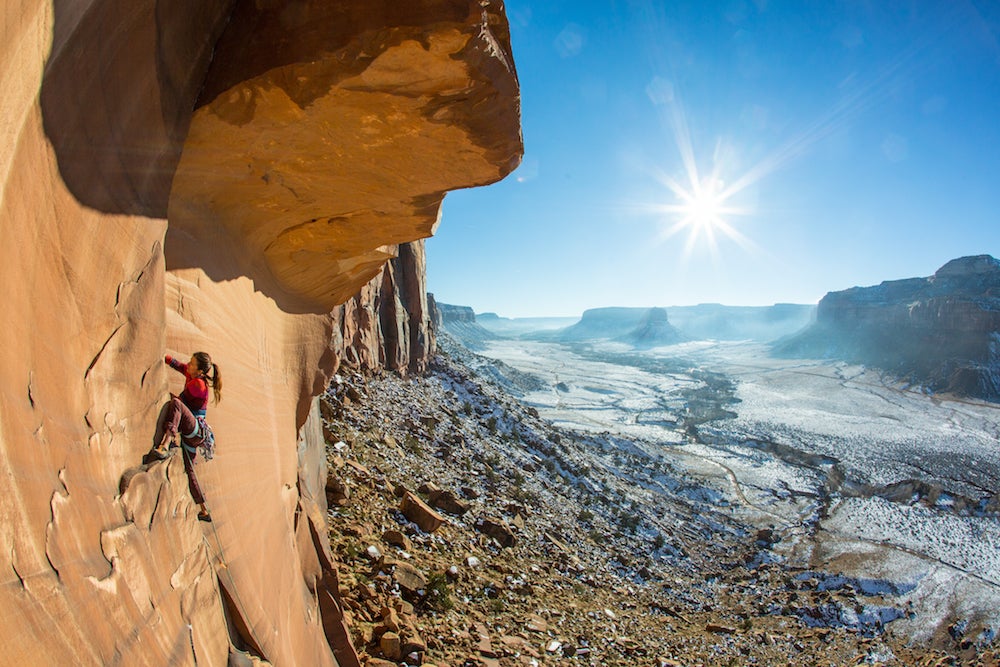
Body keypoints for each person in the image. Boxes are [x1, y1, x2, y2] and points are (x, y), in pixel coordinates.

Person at [151, 351, 222, 522]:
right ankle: (204, 510)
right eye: (190, 362)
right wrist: (163, 357)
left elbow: (180, 402)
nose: (188, 365)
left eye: (192, 364)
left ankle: (166, 443)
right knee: (189, 470)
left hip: (195, 430)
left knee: (175, 403)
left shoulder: (198, 385)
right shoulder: (193, 375)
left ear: (200, 371)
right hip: (193, 433)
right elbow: (179, 365)